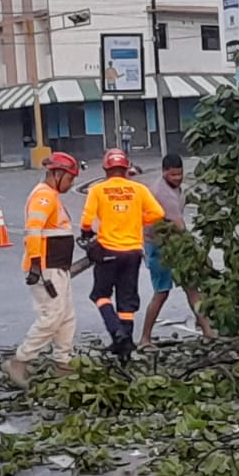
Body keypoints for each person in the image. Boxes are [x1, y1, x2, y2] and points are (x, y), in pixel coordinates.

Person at [80, 149, 164, 360]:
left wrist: (87, 234)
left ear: (106, 169)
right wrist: (137, 221)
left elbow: (87, 220)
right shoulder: (139, 189)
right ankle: (125, 344)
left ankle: (115, 330)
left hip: (108, 250)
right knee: (126, 300)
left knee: (100, 295)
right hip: (133, 252)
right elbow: (158, 213)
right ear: (126, 169)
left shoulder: (98, 190)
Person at [5, 152, 81, 386]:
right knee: (52, 316)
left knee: (66, 317)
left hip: (57, 267)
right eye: (69, 178)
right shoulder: (44, 197)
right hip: (46, 268)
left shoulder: (52, 196)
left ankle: (62, 363)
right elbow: (33, 230)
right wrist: (37, 264)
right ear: (56, 174)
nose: (72, 184)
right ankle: (20, 361)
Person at [139, 153, 214, 348]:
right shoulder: (161, 193)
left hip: (175, 244)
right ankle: (145, 338)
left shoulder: (176, 188)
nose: (177, 178)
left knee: (191, 287)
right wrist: (198, 251)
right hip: (159, 247)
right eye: (173, 175)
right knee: (162, 292)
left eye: (180, 174)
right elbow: (179, 225)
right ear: (164, 172)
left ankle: (208, 332)